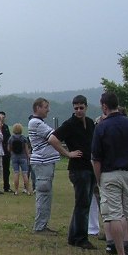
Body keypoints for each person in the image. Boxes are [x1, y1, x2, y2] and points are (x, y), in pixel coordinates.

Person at [91, 91, 128, 255]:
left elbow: (96, 159)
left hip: (109, 174)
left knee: (113, 214)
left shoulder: (101, 127)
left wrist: (99, 179)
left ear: (104, 106)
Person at [28, 97, 83, 234]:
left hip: (44, 163)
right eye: (46, 107)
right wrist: (67, 153)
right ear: (38, 108)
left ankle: (42, 225)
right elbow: (55, 137)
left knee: (45, 194)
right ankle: (40, 226)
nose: (48, 110)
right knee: (44, 194)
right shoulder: (37, 123)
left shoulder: (38, 123)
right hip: (43, 163)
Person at [55, 95, 97, 249]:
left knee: (85, 202)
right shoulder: (70, 124)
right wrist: (67, 153)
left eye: (81, 108)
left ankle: (74, 236)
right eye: (76, 108)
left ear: (86, 107)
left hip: (90, 167)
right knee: (82, 203)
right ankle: (80, 238)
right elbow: (53, 139)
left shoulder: (90, 123)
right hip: (78, 169)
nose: (79, 111)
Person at [7, 122, 32, 195]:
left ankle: (16, 191)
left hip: (14, 157)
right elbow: (26, 149)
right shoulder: (23, 138)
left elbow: (8, 149)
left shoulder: (11, 138)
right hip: (23, 157)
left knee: (16, 173)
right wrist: (28, 156)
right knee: (25, 174)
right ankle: (27, 190)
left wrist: (12, 151)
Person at [0, 111, 12, 192]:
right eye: (1, 117)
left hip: (6, 151)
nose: (2, 119)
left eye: (3, 117)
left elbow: (8, 138)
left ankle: (6, 186)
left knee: (6, 170)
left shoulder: (6, 127)